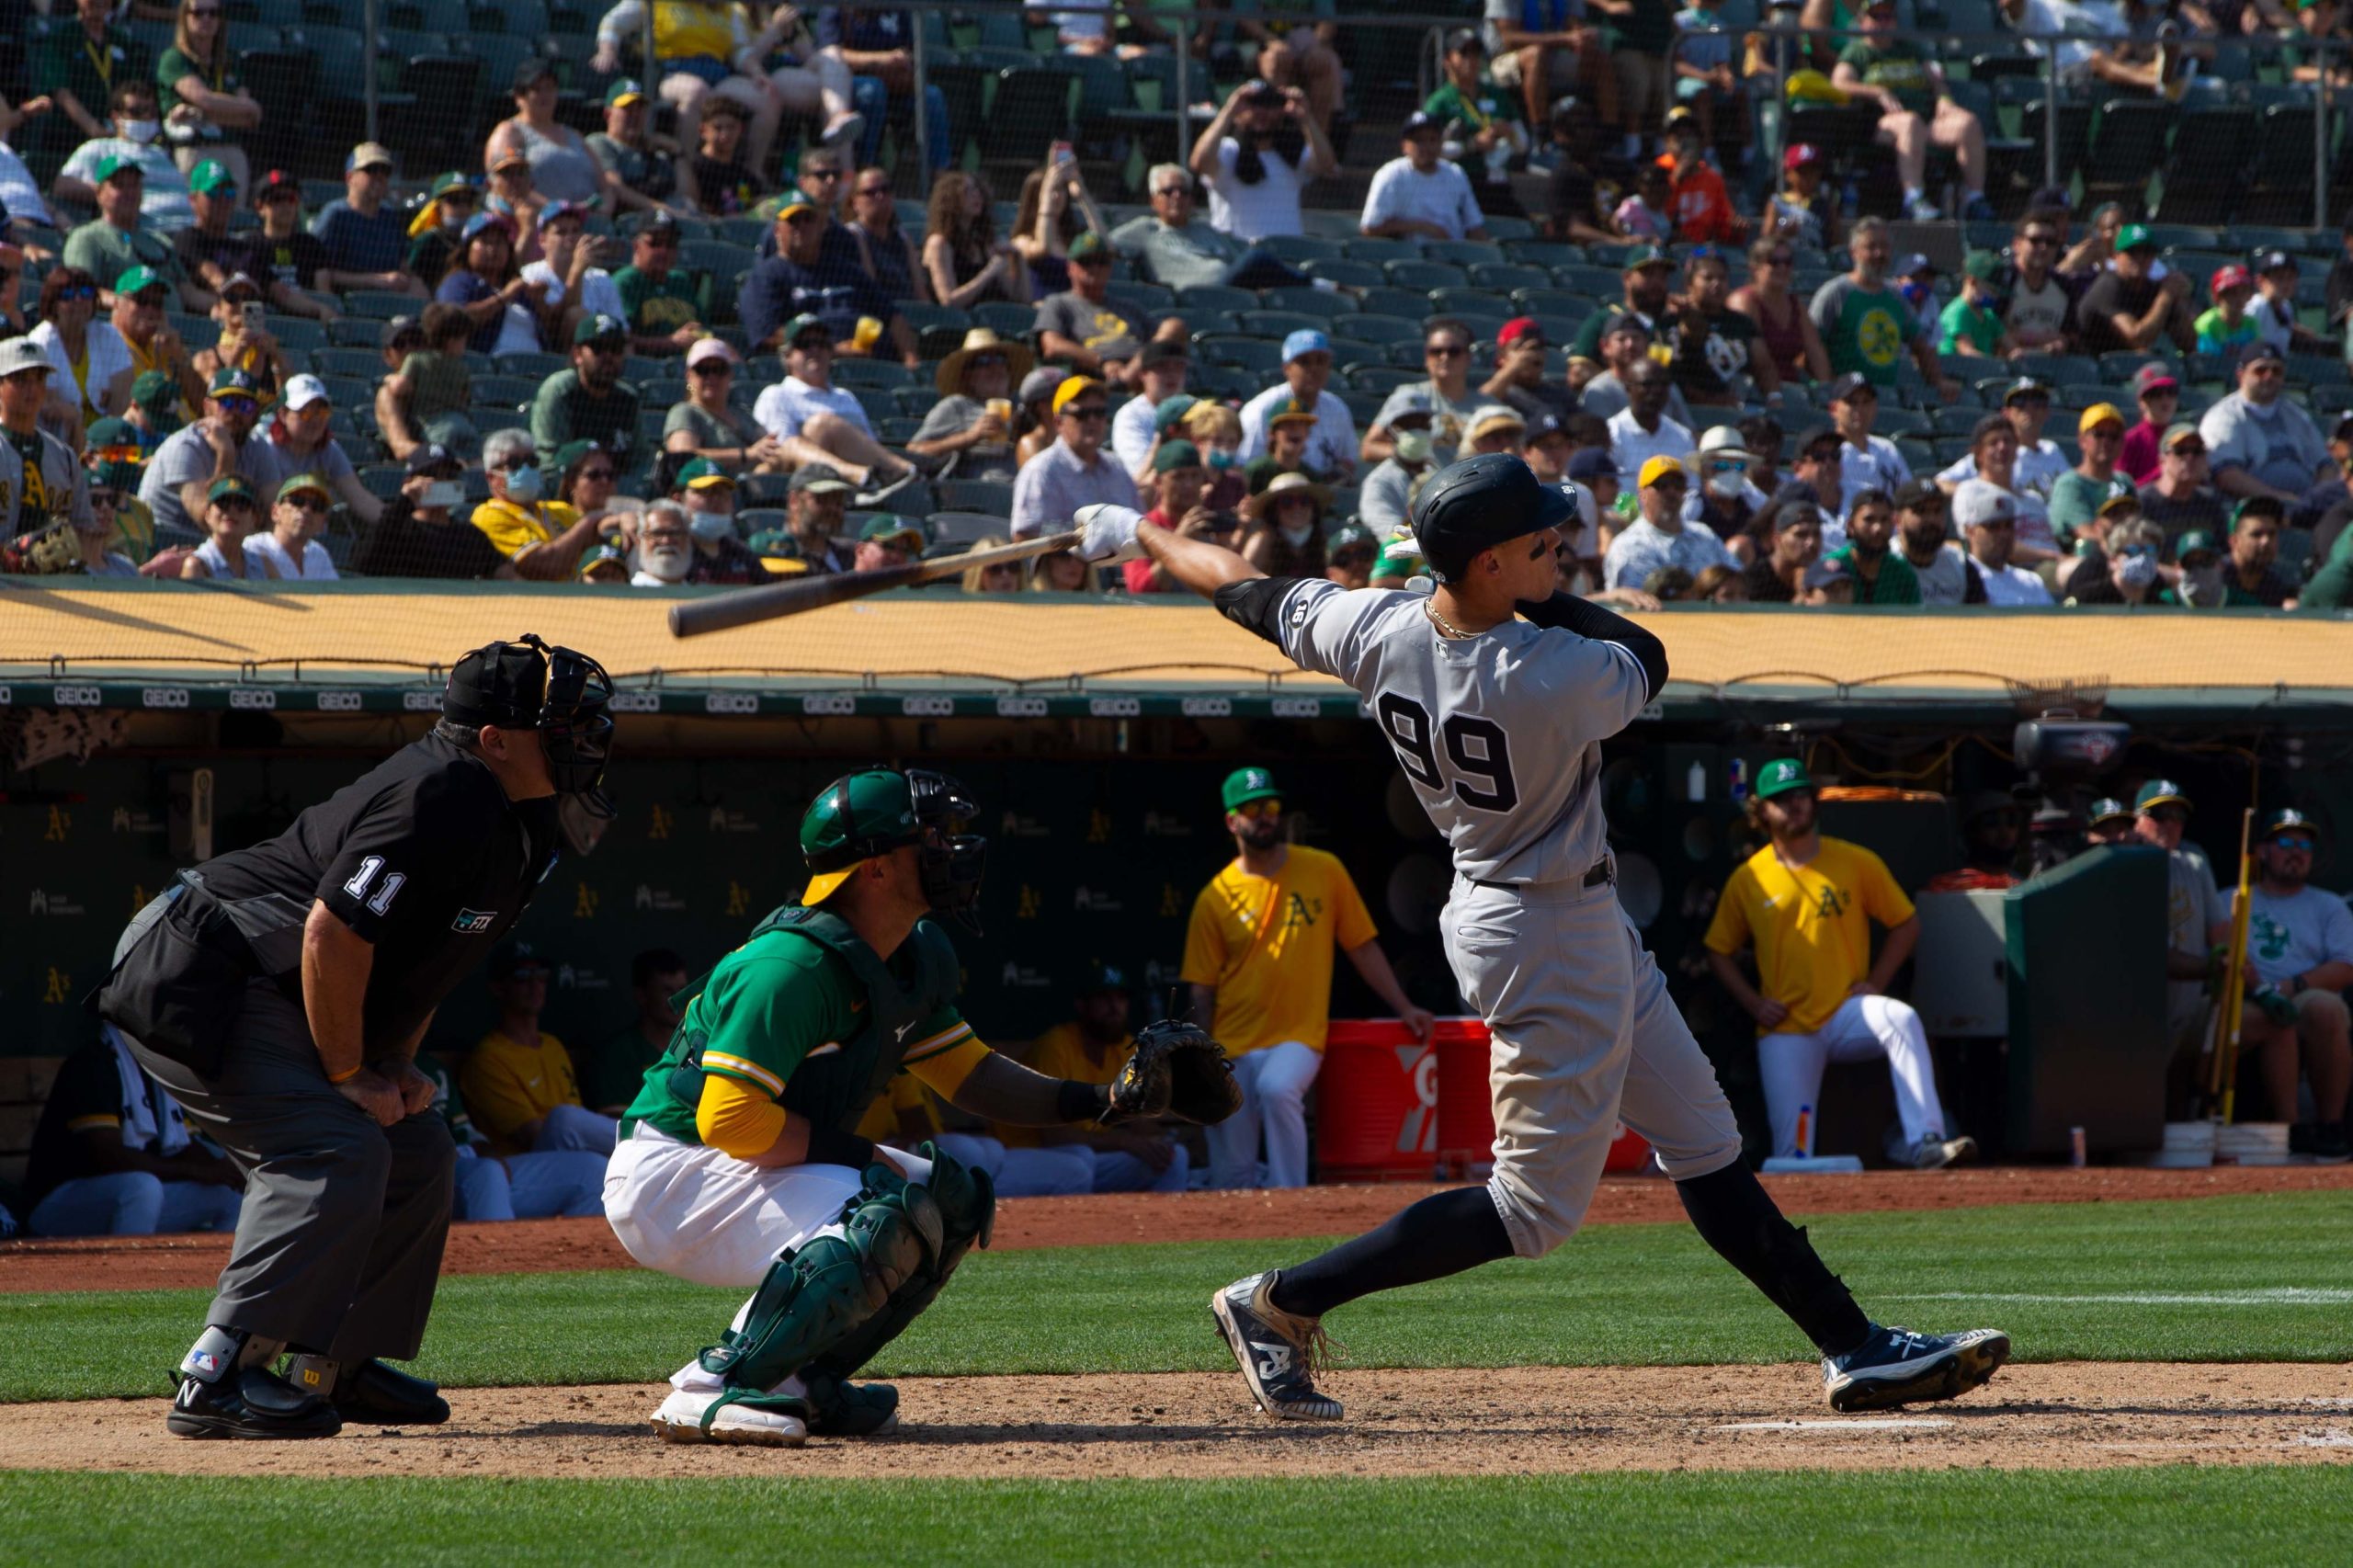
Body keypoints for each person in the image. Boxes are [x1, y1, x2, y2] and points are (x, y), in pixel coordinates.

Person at [1080, 454, 2008, 1423]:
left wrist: (1136, 530)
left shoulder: (1372, 625)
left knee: (1703, 1140)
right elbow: (1644, 651)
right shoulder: (1543, 668)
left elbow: (1240, 585)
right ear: (1483, 563)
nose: (1559, 546)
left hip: (1544, 907)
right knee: (1531, 1208)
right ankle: (1279, 1301)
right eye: (1536, 541)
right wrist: (1514, 595)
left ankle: (1853, 1345)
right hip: (1541, 925)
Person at [602, 767, 1216, 1445]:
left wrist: (1106, 1101)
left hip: (740, 1160)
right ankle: (712, 1385)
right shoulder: (791, 968)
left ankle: (800, 1380)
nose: (949, 849)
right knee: (886, 1205)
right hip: (674, 1172)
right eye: (927, 837)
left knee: (952, 1196)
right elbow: (729, 1119)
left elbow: (972, 1077)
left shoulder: (913, 952)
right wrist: (868, 1157)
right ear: (874, 870)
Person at [95, 635, 610, 1437]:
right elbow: (334, 932)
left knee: (416, 1147)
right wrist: (346, 1072)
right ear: (495, 740)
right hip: (203, 966)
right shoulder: (441, 790)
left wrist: (393, 1061)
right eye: (563, 729)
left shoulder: (525, 817)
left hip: (275, 980)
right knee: (332, 1145)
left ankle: (326, 1366)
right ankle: (220, 1371)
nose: (584, 744)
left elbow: (433, 958)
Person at [1705, 757, 1973, 1165]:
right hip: (1786, 1024)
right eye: (1781, 799)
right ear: (1761, 812)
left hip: (1847, 1011)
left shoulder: (1855, 860)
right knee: (1790, 1156)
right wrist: (1753, 1002)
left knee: (1901, 1019)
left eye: (1800, 795)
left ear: (1814, 802)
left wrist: (1877, 982)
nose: (1793, 805)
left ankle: (1925, 1140)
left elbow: (1906, 923)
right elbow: (1718, 949)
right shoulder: (1749, 878)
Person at [1172, 767, 1429, 1189]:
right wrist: (1202, 1054)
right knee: (1232, 1171)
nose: (1265, 815)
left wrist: (1404, 1007)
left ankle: (1292, 1199)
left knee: (1277, 1089)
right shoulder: (1214, 896)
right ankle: (1230, 1239)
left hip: (1297, 1034)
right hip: (1233, 1040)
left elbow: (1361, 945)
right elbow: (1203, 987)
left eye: (1270, 806)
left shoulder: (1323, 869)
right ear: (1232, 821)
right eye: (1252, 808)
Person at [592, 0, 859, 178]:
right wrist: (607, 49)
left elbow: (740, 51)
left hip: (719, 74)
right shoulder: (657, 3)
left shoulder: (725, 10)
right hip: (671, 71)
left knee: (766, 97)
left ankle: (754, 174)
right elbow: (613, 23)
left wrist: (757, 74)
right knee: (696, 92)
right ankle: (686, 170)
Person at [21, 1026, 241, 1237]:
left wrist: (224, 1171)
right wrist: (196, 1171)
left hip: (133, 1201)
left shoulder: (157, 1069)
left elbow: (184, 1145)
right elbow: (110, 1157)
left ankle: (219, 1275)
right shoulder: (93, 1062)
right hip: (57, 1206)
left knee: (229, 1195)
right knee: (142, 1188)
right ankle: (125, 1273)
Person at [993, 963, 1193, 1194]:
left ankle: (1163, 1229)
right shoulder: (1056, 1047)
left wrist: (1156, 1140)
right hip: (1027, 1154)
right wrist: (1124, 1141)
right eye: (1104, 999)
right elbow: (1054, 1136)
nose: (1114, 1007)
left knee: (1174, 1158)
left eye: (1120, 999)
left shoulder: (1126, 1049)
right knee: (1080, 1160)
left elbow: (1140, 1120)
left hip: (1087, 1158)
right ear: (1082, 1005)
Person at [2235, 810, 2353, 1158]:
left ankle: (2330, 1127)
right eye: (2285, 842)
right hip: (2244, 998)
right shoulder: (2235, 897)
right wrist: (2257, 988)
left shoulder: (2328, 905)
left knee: (2325, 1007)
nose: (2296, 851)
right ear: (2263, 851)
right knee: (2271, 1018)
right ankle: (2290, 1129)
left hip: (2298, 996)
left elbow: (2347, 966)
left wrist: (2290, 986)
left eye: (2305, 845)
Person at [1831, 0, 1993, 222]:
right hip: (1881, 124)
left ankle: (1974, 199)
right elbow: (1839, 83)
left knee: (1968, 123)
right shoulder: (1857, 52)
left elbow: (1936, 80)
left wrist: (1944, 98)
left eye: (1888, 17)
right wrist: (1876, 91)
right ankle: (1914, 198)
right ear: (1863, 21)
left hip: (1925, 121)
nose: (1883, 23)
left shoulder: (1910, 49)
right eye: (1876, 17)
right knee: (1910, 122)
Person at [460, 946, 618, 1161]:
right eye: (523, 977)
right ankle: (652, 1142)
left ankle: (653, 1146)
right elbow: (532, 1136)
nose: (535, 986)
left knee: (597, 1163)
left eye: (541, 976)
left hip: (574, 1159)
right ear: (498, 988)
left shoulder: (553, 1045)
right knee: (564, 1119)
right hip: (523, 1167)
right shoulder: (488, 1057)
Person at [738, 192, 916, 363]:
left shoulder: (846, 270)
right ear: (777, 230)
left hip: (871, 364)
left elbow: (893, 317)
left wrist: (910, 361)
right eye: (793, 220)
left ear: (822, 226)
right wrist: (832, 350)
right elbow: (766, 335)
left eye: (808, 219)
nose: (802, 226)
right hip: (810, 369)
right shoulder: (766, 275)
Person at [750, 312, 918, 492]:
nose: (815, 350)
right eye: (805, 345)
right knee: (821, 425)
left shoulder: (845, 397)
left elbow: (869, 447)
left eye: (822, 344)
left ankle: (888, 475)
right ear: (788, 355)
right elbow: (784, 454)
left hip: (857, 482)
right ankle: (903, 471)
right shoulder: (777, 395)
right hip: (804, 486)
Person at [1108, 163, 1316, 293]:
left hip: (1231, 290)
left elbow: (1237, 260)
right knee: (1258, 258)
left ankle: (1317, 288)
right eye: (1169, 191)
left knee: (1260, 261)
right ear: (1154, 201)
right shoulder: (1146, 230)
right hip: (1195, 295)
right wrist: (1081, 194)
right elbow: (1103, 242)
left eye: (1184, 191)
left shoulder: (1206, 229)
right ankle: (1320, 285)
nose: (1177, 196)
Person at [1809, 217, 1952, 396]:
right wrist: (1829, 387)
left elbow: (1920, 346)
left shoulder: (1895, 297)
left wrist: (1939, 381)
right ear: (1854, 252)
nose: (1879, 253)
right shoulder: (1835, 293)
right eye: (1871, 247)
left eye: (1884, 247)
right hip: (1846, 398)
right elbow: (1812, 345)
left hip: (1884, 397)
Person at [1189, 79, 1336, 244]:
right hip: (1237, 256)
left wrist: (1306, 117)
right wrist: (1229, 111)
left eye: (1269, 105)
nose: (1261, 112)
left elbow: (1327, 165)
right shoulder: (1227, 150)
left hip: (1285, 256)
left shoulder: (1292, 154)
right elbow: (1199, 162)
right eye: (1253, 104)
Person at [62, 154, 206, 314]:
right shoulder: (87, 238)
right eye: (120, 185)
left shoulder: (160, 241)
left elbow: (189, 293)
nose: (129, 192)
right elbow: (83, 292)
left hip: (175, 332)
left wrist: (221, 307)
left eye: (134, 185)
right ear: (99, 193)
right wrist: (133, 306)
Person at [136, 364, 267, 537]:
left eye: (245, 406)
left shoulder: (257, 446)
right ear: (207, 407)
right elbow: (208, 521)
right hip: (166, 543)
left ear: (256, 412)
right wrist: (225, 455)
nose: (236, 412)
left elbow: (272, 515)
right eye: (227, 403)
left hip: (214, 547)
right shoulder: (184, 446)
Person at [355, 443, 515, 581]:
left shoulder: (469, 536)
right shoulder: (397, 530)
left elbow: (508, 576)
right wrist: (404, 503)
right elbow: (363, 563)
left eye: (449, 475)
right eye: (431, 475)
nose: (441, 481)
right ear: (409, 482)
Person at [2200, 343, 2334, 507]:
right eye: (2260, 370)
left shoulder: (2296, 415)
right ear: (2241, 375)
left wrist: (2316, 499)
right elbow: (2227, 476)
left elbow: (2326, 465)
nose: (2269, 376)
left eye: (2276, 371)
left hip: (2306, 508)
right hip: (2255, 509)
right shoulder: (2224, 415)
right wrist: (2279, 499)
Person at [1008, 376, 1138, 540]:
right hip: (1069, 564)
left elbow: (1138, 525)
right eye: (1082, 414)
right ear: (1058, 422)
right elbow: (1024, 538)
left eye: (1099, 413)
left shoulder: (1117, 467)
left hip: (1123, 564)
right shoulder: (1041, 470)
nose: (1092, 420)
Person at [55, 78, 191, 232]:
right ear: (116, 118)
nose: (146, 117)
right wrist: (117, 194)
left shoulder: (162, 153)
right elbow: (63, 185)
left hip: (192, 228)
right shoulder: (99, 147)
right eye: (136, 111)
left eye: (151, 111)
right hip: (150, 231)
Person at [156, 0, 262, 198]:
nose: (206, 18)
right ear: (184, 17)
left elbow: (249, 117)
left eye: (213, 13)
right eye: (198, 13)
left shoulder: (230, 61)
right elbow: (203, 98)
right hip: (195, 150)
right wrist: (229, 110)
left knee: (234, 218)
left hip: (232, 150)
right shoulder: (174, 58)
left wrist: (201, 115)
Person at [0, 336, 96, 549]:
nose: (32, 389)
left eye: (39, 379)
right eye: (21, 379)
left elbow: (84, 527)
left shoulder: (65, 458)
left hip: (52, 580)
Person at [472, 427, 600, 582]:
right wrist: (589, 522)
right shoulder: (489, 515)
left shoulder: (559, 509)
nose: (525, 469)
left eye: (532, 461)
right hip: (534, 602)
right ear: (491, 477)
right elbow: (544, 565)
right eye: (514, 463)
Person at [1032, 231, 1154, 388]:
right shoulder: (1058, 303)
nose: (1095, 268)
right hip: (1091, 379)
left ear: (1110, 268)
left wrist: (1135, 366)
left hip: (1143, 374)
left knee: (1174, 326)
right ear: (1070, 268)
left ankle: (1125, 379)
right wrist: (1102, 362)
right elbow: (1052, 346)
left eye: (1101, 262)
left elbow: (1165, 341)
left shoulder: (1130, 307)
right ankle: (1125, 381)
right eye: (1086, 261)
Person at [483, 58, 606, 213]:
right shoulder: (509, 131)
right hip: (540, 225)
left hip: (588, 221)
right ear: (519, 97)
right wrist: (559, 211)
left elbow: (605, 187)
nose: (544, 95)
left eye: (549, 88)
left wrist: (605, 207)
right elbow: (502, 185)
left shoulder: (574, 135)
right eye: (536, 89)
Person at [581, 949, 691, 1118]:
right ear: (642, 996)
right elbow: (615, 1119)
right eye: (667, 991)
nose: (678, 998)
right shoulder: (618, 1052)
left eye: (682, 989)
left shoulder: (695, 1048)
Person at [34, 0, 152, 152]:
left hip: (119, 136)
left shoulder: (121, 39)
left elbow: (134, 89)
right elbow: (61, 92)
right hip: (70, 139)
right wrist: (93, 128)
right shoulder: (61, 38)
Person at [530, 313, 643, 472]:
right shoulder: (560, 391)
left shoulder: (628, 399)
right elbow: (549, 462)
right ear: (577, 354)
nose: (608, 356)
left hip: (617, 490)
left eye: (616, 349)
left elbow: (642, 460)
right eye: (598, 348)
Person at [1239, 330, 1357, 479]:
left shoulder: (1338, 409)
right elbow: (1242, 468)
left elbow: (1349, 461)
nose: (1314, 369)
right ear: (1286, 369)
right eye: (1304, 362)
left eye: (1320, 361)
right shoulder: (1261, 409)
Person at [1363, 320, 1481, 468]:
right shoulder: (1409, 396)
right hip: (1422, 486)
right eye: (1436, 351)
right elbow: (1369, 447)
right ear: (1426, 357)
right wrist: (1408, 452)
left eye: (1454, 352)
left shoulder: (1487, 405)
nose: (1444, 357)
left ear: (1468, 357)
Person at [313, 143, 425, 300]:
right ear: (350, 177)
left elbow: (403, 265)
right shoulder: (335, 215)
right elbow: (320, 274)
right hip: (349, 305)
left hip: (389, 304)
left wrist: (413, 282)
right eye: (371, 170)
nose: (379, 176)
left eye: (385, 171)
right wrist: (376, 281)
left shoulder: (389, 216)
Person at [1606, 454, 1733, 589]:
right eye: (1662, 485)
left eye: (1678, 485)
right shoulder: (1629, 545)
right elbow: (1633, 603)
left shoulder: (1705, 535)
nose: (1671, 492)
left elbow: (1734, 579)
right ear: (1642, 494)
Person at [1361, 111, 1490, 244]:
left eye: (1432, 139)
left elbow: (1475, 226)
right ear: (1404, 146)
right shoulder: (1391, 175)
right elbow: (1370, 228)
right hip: (1409, 257)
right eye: (1419, 140)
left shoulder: (1455, 174)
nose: (1426, 146)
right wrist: (1425, 227)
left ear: (1441, 143)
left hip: (1452, 256)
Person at [28, 267, 130, 430]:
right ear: (53, 303)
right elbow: (49, 408)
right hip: (61, 438)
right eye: (67, 295)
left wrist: (105, 437)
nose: (78, 300)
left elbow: (122, 402)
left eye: (85, 292)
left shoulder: (110, 336)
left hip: (107, 438)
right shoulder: (39, 343)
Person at [1673, 247, 1775, 408]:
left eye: (1722, 278)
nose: (1716, 284)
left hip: (1738, 406)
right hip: (1690, 409)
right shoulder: (1674, 320)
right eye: (1708, 278)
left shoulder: (1742, 323)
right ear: (1689, 284)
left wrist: (1774, 398)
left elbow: (1765, 368)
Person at [665, 337, 784, 474]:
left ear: (730, 375)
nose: (712, 377)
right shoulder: (684, 412)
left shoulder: (742, 414)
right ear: (689, 376)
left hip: (753, 484)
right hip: (711, 489)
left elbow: (768, 445)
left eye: (719, 370)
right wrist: (746, 454)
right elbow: (682, 458)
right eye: (703, 370)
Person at [375, 304, 478, 462]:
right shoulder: (389, 394)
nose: (410, 348)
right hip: (415, 470)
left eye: (416, 341)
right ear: (387, 356)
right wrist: (447, 456)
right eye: (400, 344)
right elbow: (401, 447)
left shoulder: (439, 371)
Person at [2075, 222, 2194, 357]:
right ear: (2116, 255)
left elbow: (2189, 344)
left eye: (2147, 252)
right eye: (2132, 252)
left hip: (2127, 368)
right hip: (2092, 370)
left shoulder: (2153, 289)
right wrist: (2165, 297)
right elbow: (2138, 338)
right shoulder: (2108, 285)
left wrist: (2178, 299)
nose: (2140, 258)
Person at [1729, 235, 1831, 387]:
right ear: (1755, 267)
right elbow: (1757, 358)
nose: (1782, 268)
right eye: (1774, 262)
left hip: (1792, 390)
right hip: (1756, 388)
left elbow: (1815, 351)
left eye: (1787, 262)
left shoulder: (1796, 306)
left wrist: (1827, 392)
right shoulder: (1745, 302)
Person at [922, 170, 1029, 309]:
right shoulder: (940, 243)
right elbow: (948, 300)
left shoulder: (983, 243)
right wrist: (989, 272)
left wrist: (1018, 258)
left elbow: (1022, 299)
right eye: (967, 191)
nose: (976, 194)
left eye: (977, 189)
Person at [437, 213, 535, 358]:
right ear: (467, 248)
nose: (493, 249)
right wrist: (503, 298)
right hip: (491, 369)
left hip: (535, 368)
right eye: (485, 241)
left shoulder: (515, 286)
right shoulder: (458, 281)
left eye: (499, 242)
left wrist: (540, 303)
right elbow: (454, 321)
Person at [586, 80, 685, 219]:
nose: (635, 115)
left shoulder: (656, 150)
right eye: (627, 108)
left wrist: (678, 152)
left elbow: (688, 195)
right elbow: (614, 187)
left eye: (639, 108)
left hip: (668, 219)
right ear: (607, 114)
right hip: (628, 221)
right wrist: (660, 208)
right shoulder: (600, 143)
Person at [2049, 403, 2136, 550]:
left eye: (2113, 436)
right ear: (2082, 440)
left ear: (2122, 444)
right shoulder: (2070, 484)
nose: (2106, 441)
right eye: (2099, 434)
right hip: (2081, 562)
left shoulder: (2125, 482)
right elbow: (2088, 535)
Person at [1955, 478, 2052, 605]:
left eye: (2008, 526)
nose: (2003, 534)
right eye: (1993, 527)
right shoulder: (1962, 579)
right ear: (1970, 531)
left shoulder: (2032, 582)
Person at [2138, 422, 2228, 549]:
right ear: (2162, 461)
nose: (2190, 457)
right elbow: (2135, 556)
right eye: (2180, 451)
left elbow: (2223, 552)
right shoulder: (2143, 503)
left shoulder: (2210, 503)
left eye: (2197, 451)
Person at [1826, 488, 1919, 603]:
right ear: (1850, 526)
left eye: (1884, 520)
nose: (1877, 528)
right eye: (1869, 520)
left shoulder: (1901, 572)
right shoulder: (1832, 567)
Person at [1894, 477, 1976, 606]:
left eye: (1937, 510)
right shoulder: (1884, 563)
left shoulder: (1960, 564)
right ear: (1897, 520)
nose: (1931, 519)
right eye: (1921, 511)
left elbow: (1982, 618)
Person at [1607, 360, 1695, 481]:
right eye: (1647, 385)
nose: (1656, 391)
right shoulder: (1611, 434)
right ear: (1627, 388)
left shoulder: (1683, 437)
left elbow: (1692, 488)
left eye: (1663, 385)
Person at [240, 471, 335, 581]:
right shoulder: (253, 548)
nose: (306, 510)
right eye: (298, 501)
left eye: (317, 506)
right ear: (275, 512)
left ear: (323, 521)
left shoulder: (319, 555)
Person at [2002, 213, 2075, 355]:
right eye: (2035, 240)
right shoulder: (2003, 281)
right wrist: (2042, 339)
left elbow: (2070, 335)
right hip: (2006, 370)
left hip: (2051, 369)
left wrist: (2063, 342)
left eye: (2050, 242)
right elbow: (1990, 332)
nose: (2043, 247)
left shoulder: (2065, 286)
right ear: (2017, 244)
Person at [2248, 247, 2334, 359]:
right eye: (2278, 278)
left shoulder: (2285, 306)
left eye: (2290, 277)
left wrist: (2301, 332)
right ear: (2260, 281)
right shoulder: (2256, 306)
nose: (2285, 283)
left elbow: (2283, 325)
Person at [774, 462, 857, 574]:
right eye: (822, 499)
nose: (832, 508)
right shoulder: (778, 553)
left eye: (838, 501)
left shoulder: (852, 554)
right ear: (794, 501)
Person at [1741, 501, 1824, 603]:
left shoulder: (1826, 579)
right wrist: (1801, 597)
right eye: (1801, 534)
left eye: (1817, 534)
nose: (1811, 542)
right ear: (1777, 539)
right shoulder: (1752, 581)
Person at [1763, 141, 1839, 250]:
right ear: (1788, 174)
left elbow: (1836, 242)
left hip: (1817, 262)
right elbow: (1765, 240)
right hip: (1785, 261)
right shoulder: (1777, 203)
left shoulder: (1826, 205)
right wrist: (1781, 235)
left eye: (1813, 171)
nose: (1808, 177)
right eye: (1802, 171)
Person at [2196, 264, 2262, 362]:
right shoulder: (2208, 324)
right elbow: (2209, 363)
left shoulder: (2251, 323)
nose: (2238, 298)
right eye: (2231, 293)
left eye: (2243, 292)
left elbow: (2257, 356)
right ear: (2217, 298)